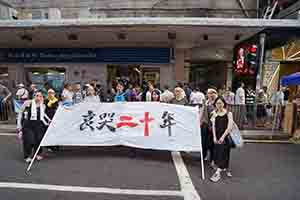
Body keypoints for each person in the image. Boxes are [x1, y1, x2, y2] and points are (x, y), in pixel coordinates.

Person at [17, 91, 50, 162]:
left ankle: (37, 154)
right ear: (34, 96)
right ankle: (27, 156)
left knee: (38, 140)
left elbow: (43, 115)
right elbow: (20, 112)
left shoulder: (43, 105)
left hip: (38, 125)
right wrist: (19, 124)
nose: (39, 97)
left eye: (40, 96)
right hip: (28, 125)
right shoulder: (28, 103)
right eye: (37, 95)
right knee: (29, 140)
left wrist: (48, 121)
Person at [210, 96, 234, 182]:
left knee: (223, 153)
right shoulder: (214, 113)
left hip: (225, 137)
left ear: (224, 103)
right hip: (217, 136)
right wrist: (214, 137)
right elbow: (213, 126)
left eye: (220, 103)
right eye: (217, 103)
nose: (219, 105)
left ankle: (217, 173)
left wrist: (223, 137)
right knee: (218, 153)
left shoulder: (228, 113)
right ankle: (222, 167)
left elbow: (229, 127)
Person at [201, 88, 218, 167]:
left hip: (214, 125)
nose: (210, 94)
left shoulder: (218, 102)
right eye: (209, 93)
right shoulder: (206, 102)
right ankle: (203, 156)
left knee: (212, 144)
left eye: (212, 93)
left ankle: (212, 159)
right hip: (205, 125)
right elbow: (202, 112)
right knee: (204, 142)